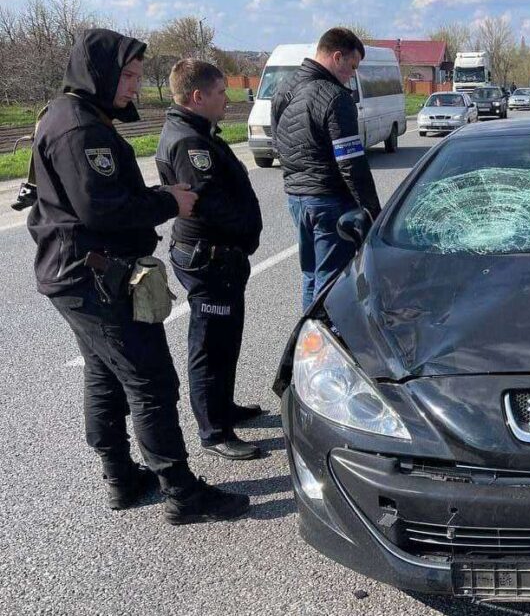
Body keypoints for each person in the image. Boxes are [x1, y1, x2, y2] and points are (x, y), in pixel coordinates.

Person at [26, 28, 249, 523]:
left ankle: (122, 478)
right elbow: (102, 209)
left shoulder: (69, 115)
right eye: (126, 76)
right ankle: (182, 492)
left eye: (135, 75)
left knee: (105, 376)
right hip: (95, 280)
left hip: (76, 275)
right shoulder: (79, 128)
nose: (133, 86)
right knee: (150, 381)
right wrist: (168, 200)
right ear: (99, 73)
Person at [156, 59, 264, 461]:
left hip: (221, 256)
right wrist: (246, 231)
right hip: (208, 257)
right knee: (210, 344)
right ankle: (214, 431)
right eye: (221, 93)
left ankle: (224, 407)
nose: (228, 99)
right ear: (198, 97)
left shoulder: (197, 131)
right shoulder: (190, 142)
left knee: (226, 337)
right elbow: (209, 204)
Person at [272, 27, 381, 311]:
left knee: (311, 276)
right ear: (337, 57)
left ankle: (305, 336)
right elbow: (351, 163)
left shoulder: (282, 90)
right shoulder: (335, 97)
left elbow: (279, 144)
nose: (352, 76)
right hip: (329, 203)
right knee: (331, 284)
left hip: (297, 199)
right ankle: (321, 344)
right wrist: (372, 211)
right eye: (352, 67)